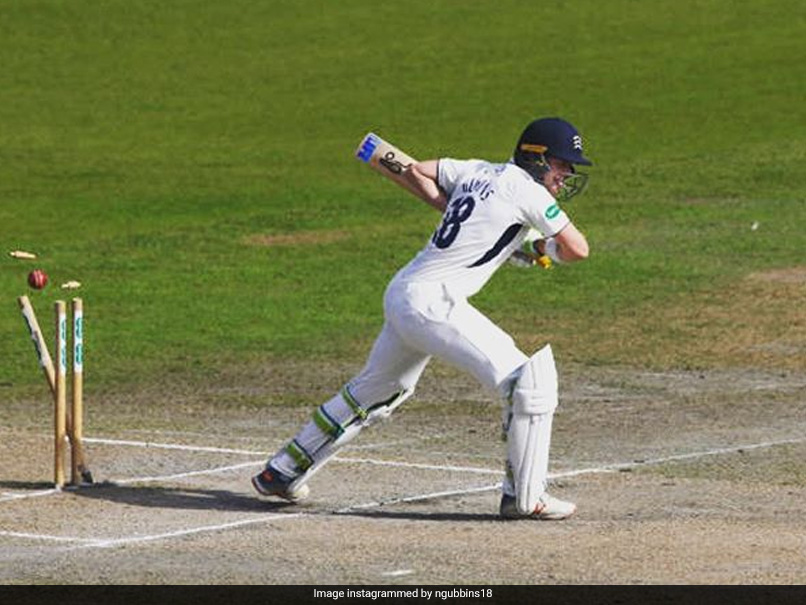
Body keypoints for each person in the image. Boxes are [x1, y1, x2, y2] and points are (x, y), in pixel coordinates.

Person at [253, 117, 592, 520]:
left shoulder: (475, 170)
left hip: (404, 292)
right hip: (435, 302)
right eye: (561, 164)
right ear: (536, 159)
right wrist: (542, 250)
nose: (566, 174)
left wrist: (473, 217)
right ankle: (525, 497)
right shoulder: (527, 191)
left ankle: (282, 471)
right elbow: (577, 248)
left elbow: (418, 169)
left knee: (378, 389)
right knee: (527, 381)